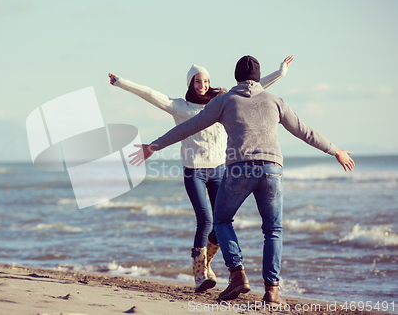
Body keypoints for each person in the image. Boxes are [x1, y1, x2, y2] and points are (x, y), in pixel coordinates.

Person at [128, 55, 354, 304]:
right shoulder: (274, 100)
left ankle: (237, 275)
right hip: (271, 170)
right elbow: (304, 130)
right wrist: (336, 150)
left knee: (222, 220)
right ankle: (272, 291)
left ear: (236, 77)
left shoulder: (224, 101)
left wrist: (154, 145)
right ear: (258, 78)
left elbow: (189, 127)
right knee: (273, 231)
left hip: (238, 170)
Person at [109, 56, 293, 293]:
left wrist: (280, 73)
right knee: (205, 219)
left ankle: (204, 263)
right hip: (194, 170)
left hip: (219, 169)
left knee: (221, 223)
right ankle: (199, 276)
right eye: (197, 81)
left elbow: (255, 86)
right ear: (190, 83)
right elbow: (151, 94)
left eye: (205, 80)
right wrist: (121, 82)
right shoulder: (180, 107)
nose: (203, 85)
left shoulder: (222, 100)